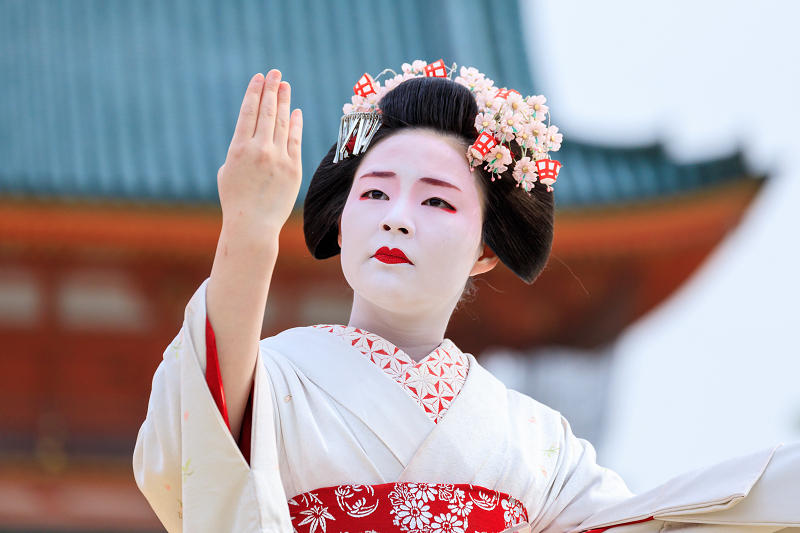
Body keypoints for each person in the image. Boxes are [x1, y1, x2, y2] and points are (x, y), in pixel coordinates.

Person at [133, 62, 800, 533]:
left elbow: (652, 520)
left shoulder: (538, 440)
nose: (397, 216)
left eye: (436, 199)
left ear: (486, 248)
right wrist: (250, 232)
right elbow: (197, 438)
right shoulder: (275, 378)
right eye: (374, 192)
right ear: (341, 221)